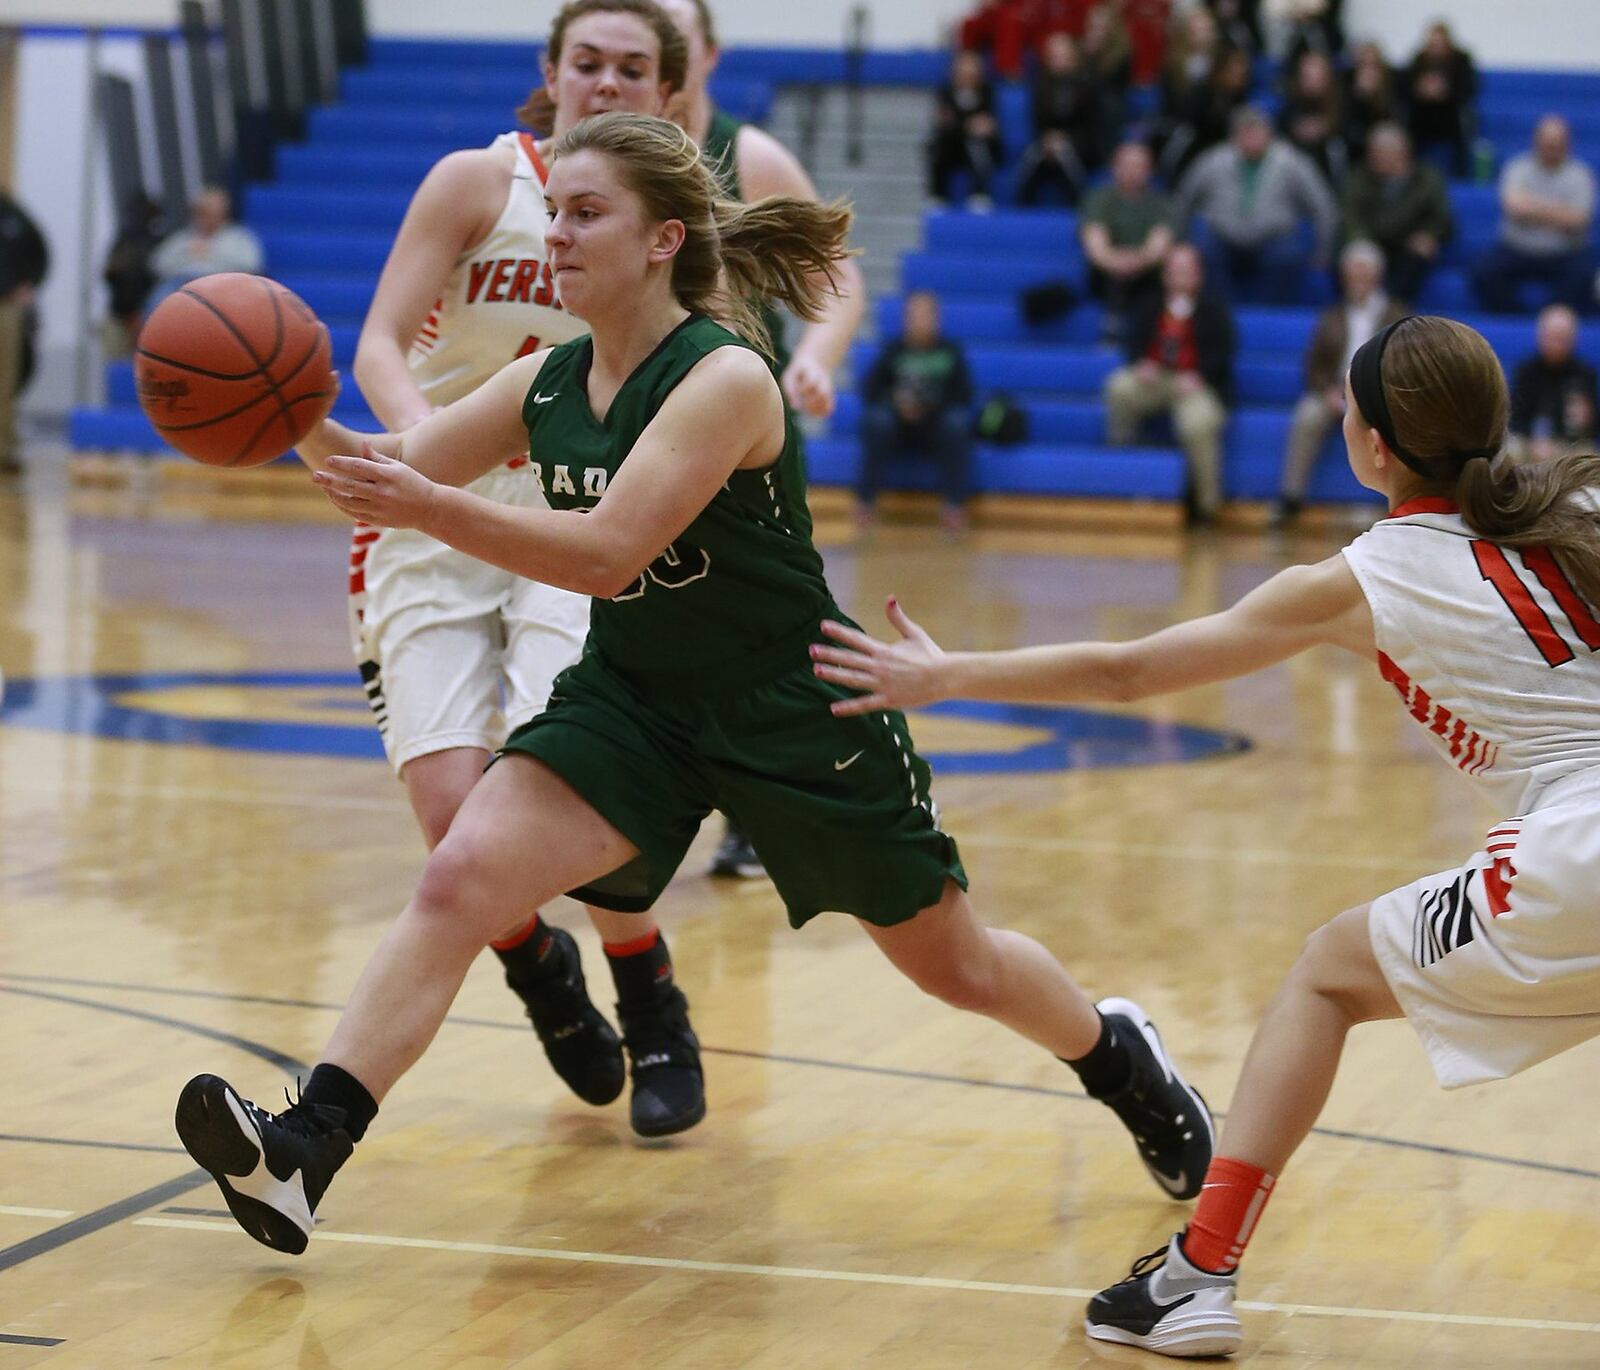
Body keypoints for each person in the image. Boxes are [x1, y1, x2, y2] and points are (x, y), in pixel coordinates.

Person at [173, 111, 1215, 1256]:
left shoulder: (725, 378)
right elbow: (390, 475)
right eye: (553, 211)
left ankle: (1118, 1056)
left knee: (956, 965)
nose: (554, 237)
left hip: (794, 704)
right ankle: (305, 1152)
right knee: (459, 872)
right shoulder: (548, 379)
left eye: (584, 215)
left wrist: (429, 506)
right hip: (637, 696)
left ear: (664, 238)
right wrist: (287, 412)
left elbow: (605, 552)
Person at [815, 312, 1600, 1359]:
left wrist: (948, 675)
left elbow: (1126, 674)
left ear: (1368, 443)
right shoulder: (1575, 503)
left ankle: (1197, 1275)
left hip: (1577, 842)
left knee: (1323, 976)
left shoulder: (1365, 575)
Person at [343, 0, 706, 1139]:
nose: (604, 80)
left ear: (667, 94)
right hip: (437, 494)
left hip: (580, 508)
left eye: (630, 67)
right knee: (451, 806)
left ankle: (647, 991)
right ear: (550, 72)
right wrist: (423, 454)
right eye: (585, 60)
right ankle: (536, 965)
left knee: (569, 779)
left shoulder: (672, 222)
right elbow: (377, 344)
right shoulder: (476, 182)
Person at [658, 0, 868, 880]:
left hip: (743, 416)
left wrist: (816, 355)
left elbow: (839, 280)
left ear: (707, 54)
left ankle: (767, 798)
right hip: (639, 409)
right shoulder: (601, 161)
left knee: (762, 614)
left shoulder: (748, 154)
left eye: (676, 40)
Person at [1273, 240, 1407, 524]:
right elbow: (1314, 365)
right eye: (1351, 274)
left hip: (1379, 398)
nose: (1356, 280)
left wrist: (1372, 397)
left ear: (1376, 276)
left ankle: (1405, 505)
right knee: (1307, 414)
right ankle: (1291, 497)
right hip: (1335, 394)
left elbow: (1403, 365)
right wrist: (1329, 392)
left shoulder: (1397, 315)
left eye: (1362, 274)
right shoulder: (1331, 316)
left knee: (1406, 423)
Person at [1103, 243, 1236, 524]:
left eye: (1187, 270)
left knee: (1198, 423)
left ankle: (1206, 507)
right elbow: (1133, 343)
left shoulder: (1214, 308)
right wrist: (1141, 363)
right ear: (1165, 275)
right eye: (1175, 270)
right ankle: (1121, 469)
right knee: (1118, 387)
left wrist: (1201, 375)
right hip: (1156, 380)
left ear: (1199, 274)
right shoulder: (1150, 304)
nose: (1181, 276)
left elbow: (1225, 351)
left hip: (1197, 384)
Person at [1178, 105, 1336, 305]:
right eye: (1245, 132)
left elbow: (1322, 205)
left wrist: (1323, 253)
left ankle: (1270, 312)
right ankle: (1220, 309)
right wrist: (1180, 242)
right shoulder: (1213, 161)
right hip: (1223, 239)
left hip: (1274, 239)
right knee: (1203, 246)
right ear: (1233, 136)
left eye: (1257, 131)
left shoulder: (1292, 162)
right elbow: (1184, 199)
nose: (1251, 138)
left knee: (1289, 252)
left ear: (1270, 134)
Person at [856, 290, 975, 533]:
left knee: (958, 423)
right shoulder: (893, 351)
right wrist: (896, 402)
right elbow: (870, 389)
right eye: (914, 315)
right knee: (876, 420)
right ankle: (865, 503)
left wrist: (931, 407)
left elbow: (963, 394)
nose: (919, 320)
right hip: (897, 427)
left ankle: (954, 506)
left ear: (936, 318)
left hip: (935, 427)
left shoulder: (950, 352)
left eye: (925, 315)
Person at [1471, 116, 1597, 317]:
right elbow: (1513, 206)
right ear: (1535, 141)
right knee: (1483, 272)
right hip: (1517, 249)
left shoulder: (1581, 175)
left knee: (1584, 275)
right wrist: (1559, 212)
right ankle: (1516, 317)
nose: (1551, 149)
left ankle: (1552, 320)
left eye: (1556, 144)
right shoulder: (1517, 167)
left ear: (1568, 144)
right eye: (1547, 143)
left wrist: (1532, 208)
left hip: (1565, 254)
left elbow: (1578, 220)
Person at [1341, 122, 1451, 305]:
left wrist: (1429, 234)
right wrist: (1364, 242)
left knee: (1417, 257)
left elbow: (1442, 219)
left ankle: (1392, 310)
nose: (1375, 158)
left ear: (1401, 153)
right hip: (1371, 240)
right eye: (1374, 152)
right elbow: (1351, 217)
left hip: (1407, 244)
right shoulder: (1359, 178)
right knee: (1355, 256)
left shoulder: (1427, 179)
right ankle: (1354, 313)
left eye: (1382, 152)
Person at [1078, 140, 1176, 342]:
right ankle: (1112, 328)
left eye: (1139, 166)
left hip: (1146, 275)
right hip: (1106, 275)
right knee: (1113, 279)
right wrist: (1116, 262)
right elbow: (1095, 244)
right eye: (1126, 165)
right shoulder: (1099, 199)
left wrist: (1134, 261)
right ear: (1114, 167)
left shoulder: (1161, 203)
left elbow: (1158, 246)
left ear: (1149, 170)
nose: (1132, 172)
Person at [1016, 32, 1101, 206]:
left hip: (1080, 143)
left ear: (1074, 56)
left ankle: (1078, 205)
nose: (1058, 60)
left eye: (1063, 55)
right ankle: (1021, 209)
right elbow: (1038, 123)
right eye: (1054, 56)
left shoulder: (1087, 85)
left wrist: (1065, 138)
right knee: (1033, 156)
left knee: (1065, 154)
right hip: (1047, 143)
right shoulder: (1041, 87)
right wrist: (1048, 140)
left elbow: (1091, 126)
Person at [146, 186, 263, 311]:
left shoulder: (239, 238)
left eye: (215, 214)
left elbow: (252, 265)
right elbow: (157, 265)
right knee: (159, 298)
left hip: (224, 285)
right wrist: (186, 255)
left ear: (224, 214)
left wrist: (213, 255)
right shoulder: (182, 239)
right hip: (182, 285)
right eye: (205, 213)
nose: (210, 219)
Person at [1507, 304, 1599, 461]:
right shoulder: (1526, 371)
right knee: (1510, 450)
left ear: (1573, 340)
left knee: (1591, 458)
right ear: (1540, 336)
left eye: (1562, 339)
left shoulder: (1585, 374)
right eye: (1551, 337)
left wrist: (1588, 418)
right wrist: (1535, 440)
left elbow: (1593, 429)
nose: (1556, 345)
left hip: (1569, 444)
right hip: (1530, 441)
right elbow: (1514, 418)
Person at [0, 185, 47, 475]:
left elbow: (40, 252)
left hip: (6, 305)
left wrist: (29, 283)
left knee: (6, 379)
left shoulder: (12, 214)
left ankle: (5, 448)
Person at [928, 49, 1003, 210]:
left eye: (971, 70)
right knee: (938, 144)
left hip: (977, 145)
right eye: (963, 69)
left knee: (978, 144)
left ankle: (979, 194)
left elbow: (988, 124)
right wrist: (969, 126)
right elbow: (945, 122)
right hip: (952, 145)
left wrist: (963, 125)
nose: (967, 74)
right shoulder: (945, 92)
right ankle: (938, 195)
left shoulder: (987, 92)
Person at [1404, 20, 1477, 179]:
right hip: (1422, 114)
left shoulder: (1461, 60)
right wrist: (1421, 90)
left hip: (1451, 114)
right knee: (1406, 120)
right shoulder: (1418, 60)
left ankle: (1462, 174)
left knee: (1464, 119)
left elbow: (1469, 89)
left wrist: (1446, 92)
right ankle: (1407, 171)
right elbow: (1405, 89)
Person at [1276, 48, 1343, 185]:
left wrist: (1327, 129)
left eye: (1317, 76)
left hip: (1328, 162)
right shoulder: (1290, 102)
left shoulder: (1340, 102)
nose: (1312, 82)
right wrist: (1297, 130)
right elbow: (1281, 130)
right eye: (1307, 76)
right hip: (1296, 162)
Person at [1340, 40, 1397, 168]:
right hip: (1357, 152)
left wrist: (1376, 100)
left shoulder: (1394, 83)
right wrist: (1360, 100)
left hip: (1389, 146)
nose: (1368, 72)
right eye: (1363, 65)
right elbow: (1345, 127)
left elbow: (1395, 124)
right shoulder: (1345, 85)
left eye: (1373, 66)